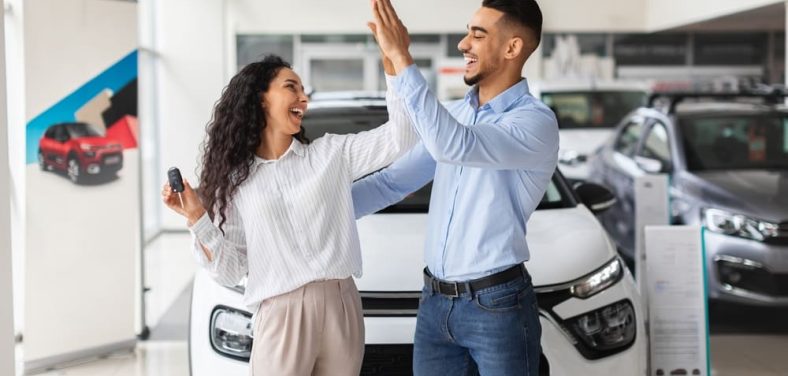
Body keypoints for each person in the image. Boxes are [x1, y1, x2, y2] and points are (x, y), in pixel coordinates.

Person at [162, 53, 417, 375]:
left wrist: (394, 63)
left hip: (341, 303)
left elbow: (401, 137)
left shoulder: (330, 155)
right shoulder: (236, 184)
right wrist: (198, 218)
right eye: (291, 87)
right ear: (261, 100)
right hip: (281, 311)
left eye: (302, 89)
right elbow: (230, 271)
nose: (303, 98)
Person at [355, 0, 558, 374]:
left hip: (497, 306)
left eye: (477, 35)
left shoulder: (535, 122)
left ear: (512, 48)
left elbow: (456, 144)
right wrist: (310, 209)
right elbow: (391, 182)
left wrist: (403, 58)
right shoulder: (457, 114)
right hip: (434, 303)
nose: (463, 44)